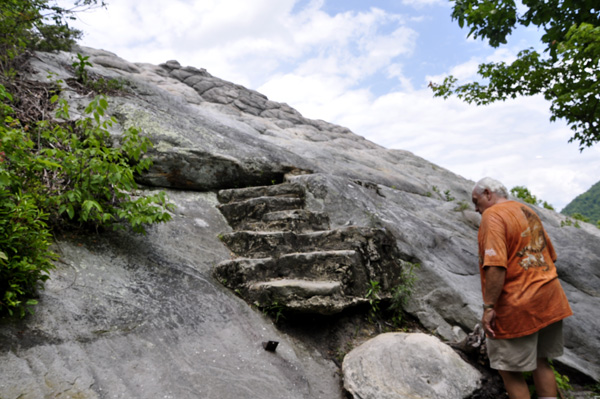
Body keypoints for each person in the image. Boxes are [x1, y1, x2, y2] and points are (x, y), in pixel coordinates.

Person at [471, 177, 573, 399]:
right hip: (550, 298)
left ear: (488, 193)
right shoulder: (526, 210)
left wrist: (489, 307)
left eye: (476, 201)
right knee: (541, 361)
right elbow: (550, 256)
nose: (476, 209)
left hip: (518, 306)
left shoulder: (493, 215)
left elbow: (496, 266)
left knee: (509, 371)